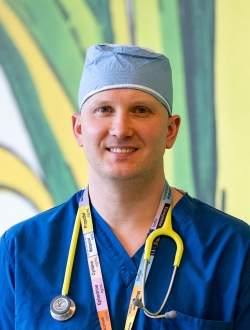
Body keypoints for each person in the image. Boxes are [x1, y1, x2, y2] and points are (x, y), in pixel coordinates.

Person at [0, 44, 250, 330]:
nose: (120, 129)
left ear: (170, 130)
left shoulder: (233, 250)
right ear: (79, 129)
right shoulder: (21, 251)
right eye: (104, 109)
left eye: (141, 110)